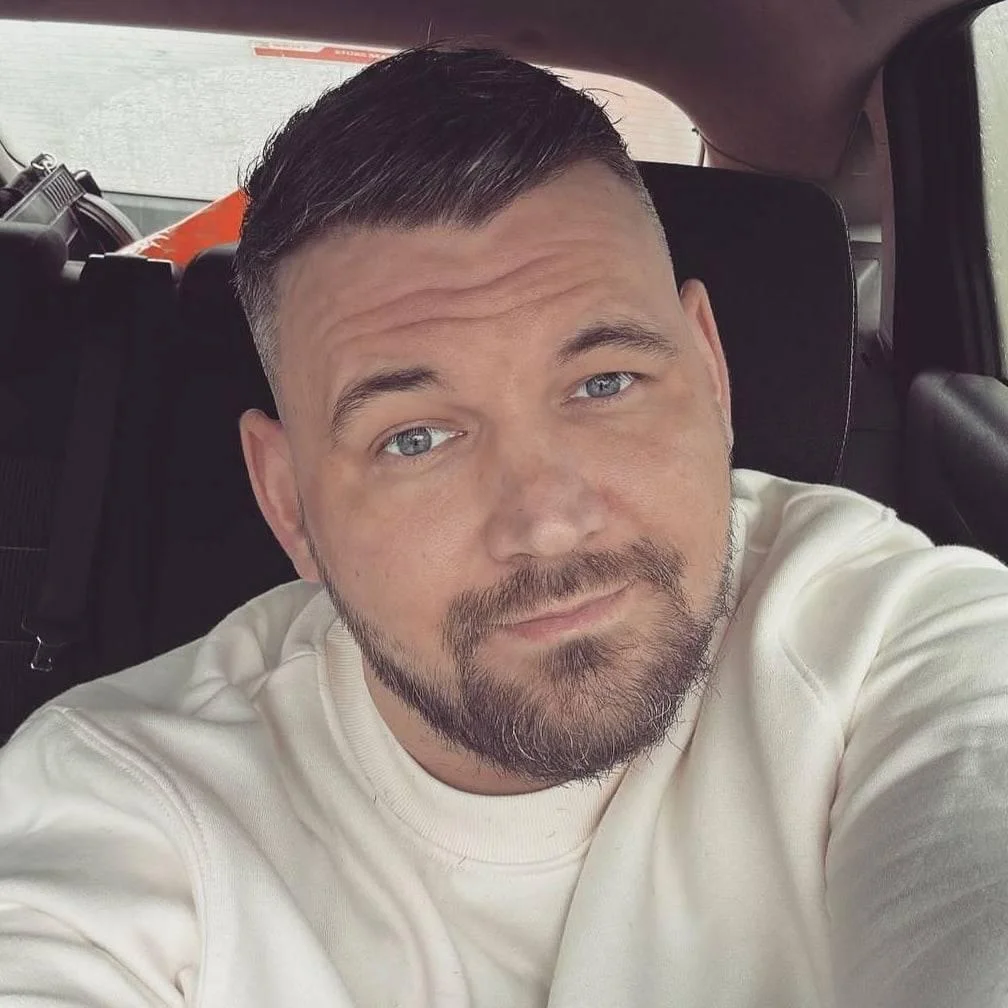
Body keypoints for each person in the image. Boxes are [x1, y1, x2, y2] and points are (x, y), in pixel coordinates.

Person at [1, 44, 1007, 1008]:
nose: (550, 520)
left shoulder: (889, 642)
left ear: (709, 373)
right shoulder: (123, 799)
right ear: (289, 501)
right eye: (417, 438)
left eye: (605, 382)